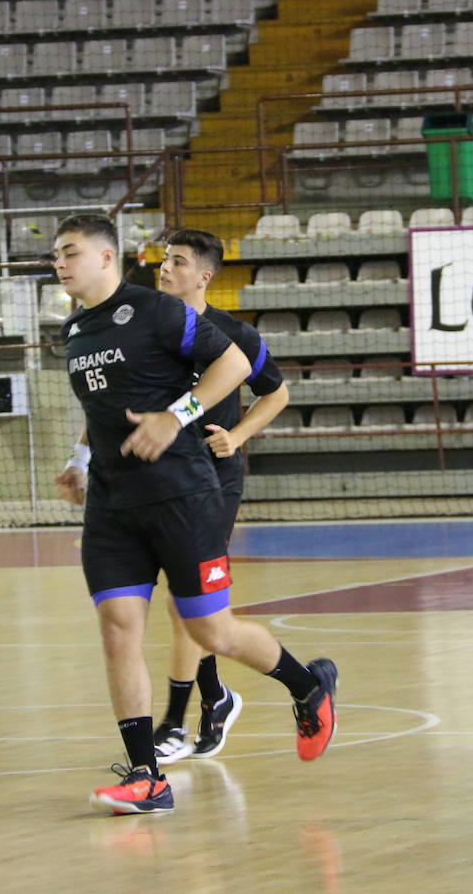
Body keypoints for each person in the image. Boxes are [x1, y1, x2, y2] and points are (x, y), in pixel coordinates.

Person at [49, 214, 335, 816]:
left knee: (210, 631)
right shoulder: (74, 330)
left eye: (70, 252)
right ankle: (146, 776)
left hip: (182, 494)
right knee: (117, 630)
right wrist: (79, 462)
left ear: (107, 259)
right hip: (111, 504)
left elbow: (233, 367)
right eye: (56, 254)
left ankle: (308, 687)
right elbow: (104, 410)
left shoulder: (156, 311)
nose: (60, 262)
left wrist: (174, 416)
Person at [149, 228, 291, 764]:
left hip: (212, 478)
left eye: (177, 262)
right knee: (186, 604)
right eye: (163, 260)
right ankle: (217, 698)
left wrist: (239, 435)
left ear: (203, 276)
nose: (164, 269)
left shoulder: (232, 334)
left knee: (184, 599)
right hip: (160, 478)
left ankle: (172, 725)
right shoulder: (147, 326)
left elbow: (277, 393)